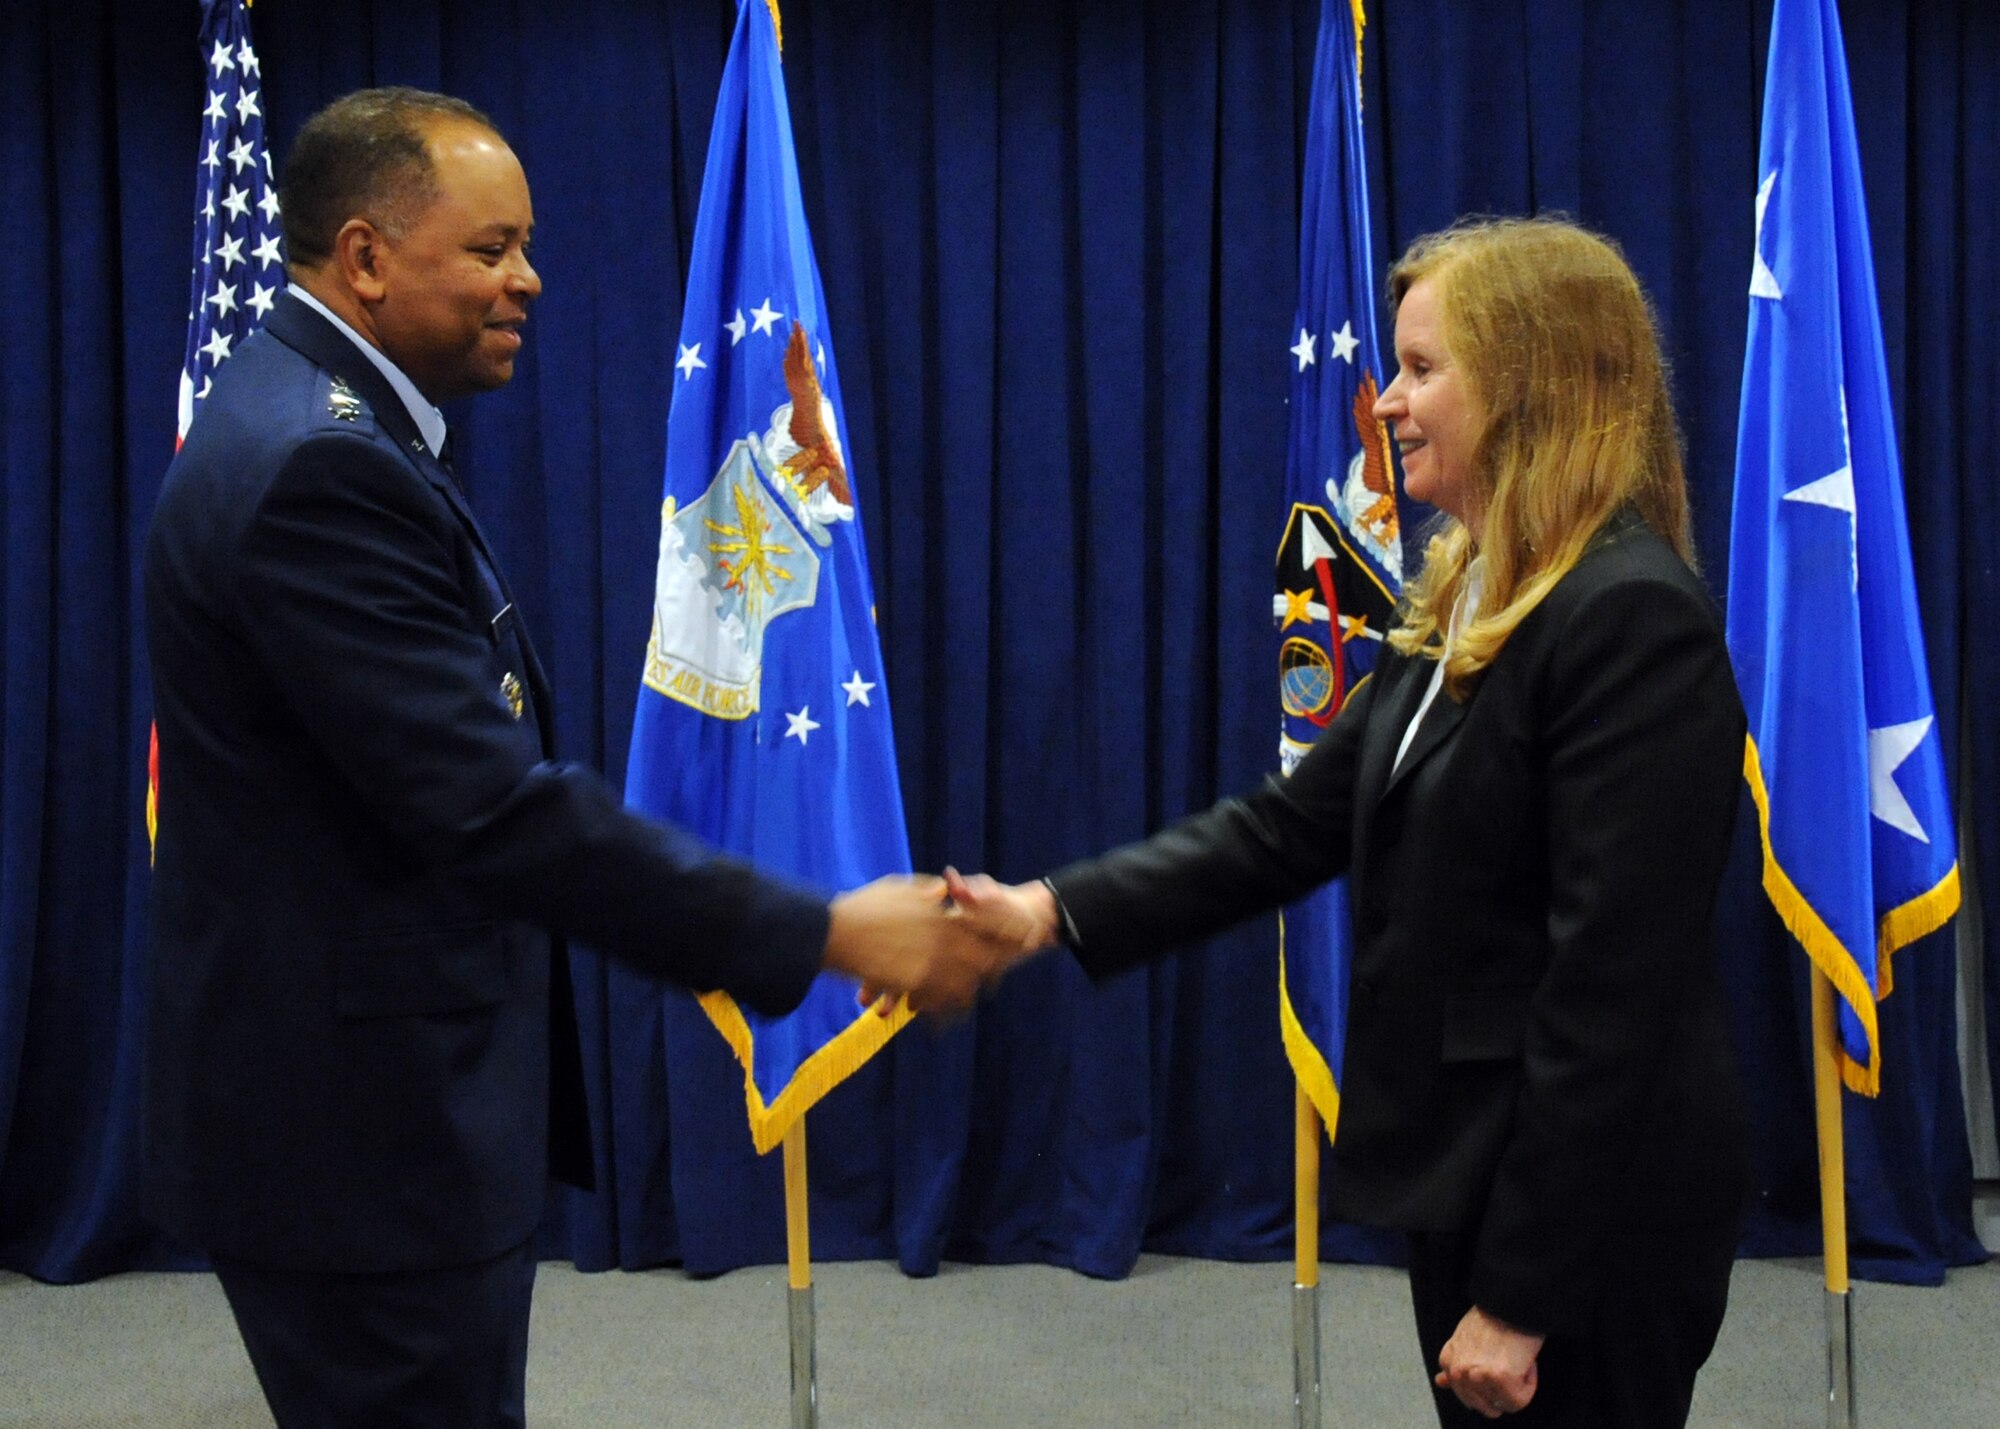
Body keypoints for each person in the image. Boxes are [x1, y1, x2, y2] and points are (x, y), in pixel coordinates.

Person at [143, 87, 999, 1429]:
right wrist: (824, 930)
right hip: (365, 1151)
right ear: (364, 258)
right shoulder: (321, 469)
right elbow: (494, 812)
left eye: (524, 245)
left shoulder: (310, 420)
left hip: (356, 1130)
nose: (527, 279)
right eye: (489, 249)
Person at [948, 217, 1750, 1428]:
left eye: (1425, 370)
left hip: (1588, 1222)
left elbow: (1608, 998)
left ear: (1529, 383)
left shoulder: (1629, 620)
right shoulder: (1477, 599)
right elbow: (1284, 829)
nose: (1385, 404)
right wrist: (1045, 910)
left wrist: (1522, 1292)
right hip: (1473, 1175)